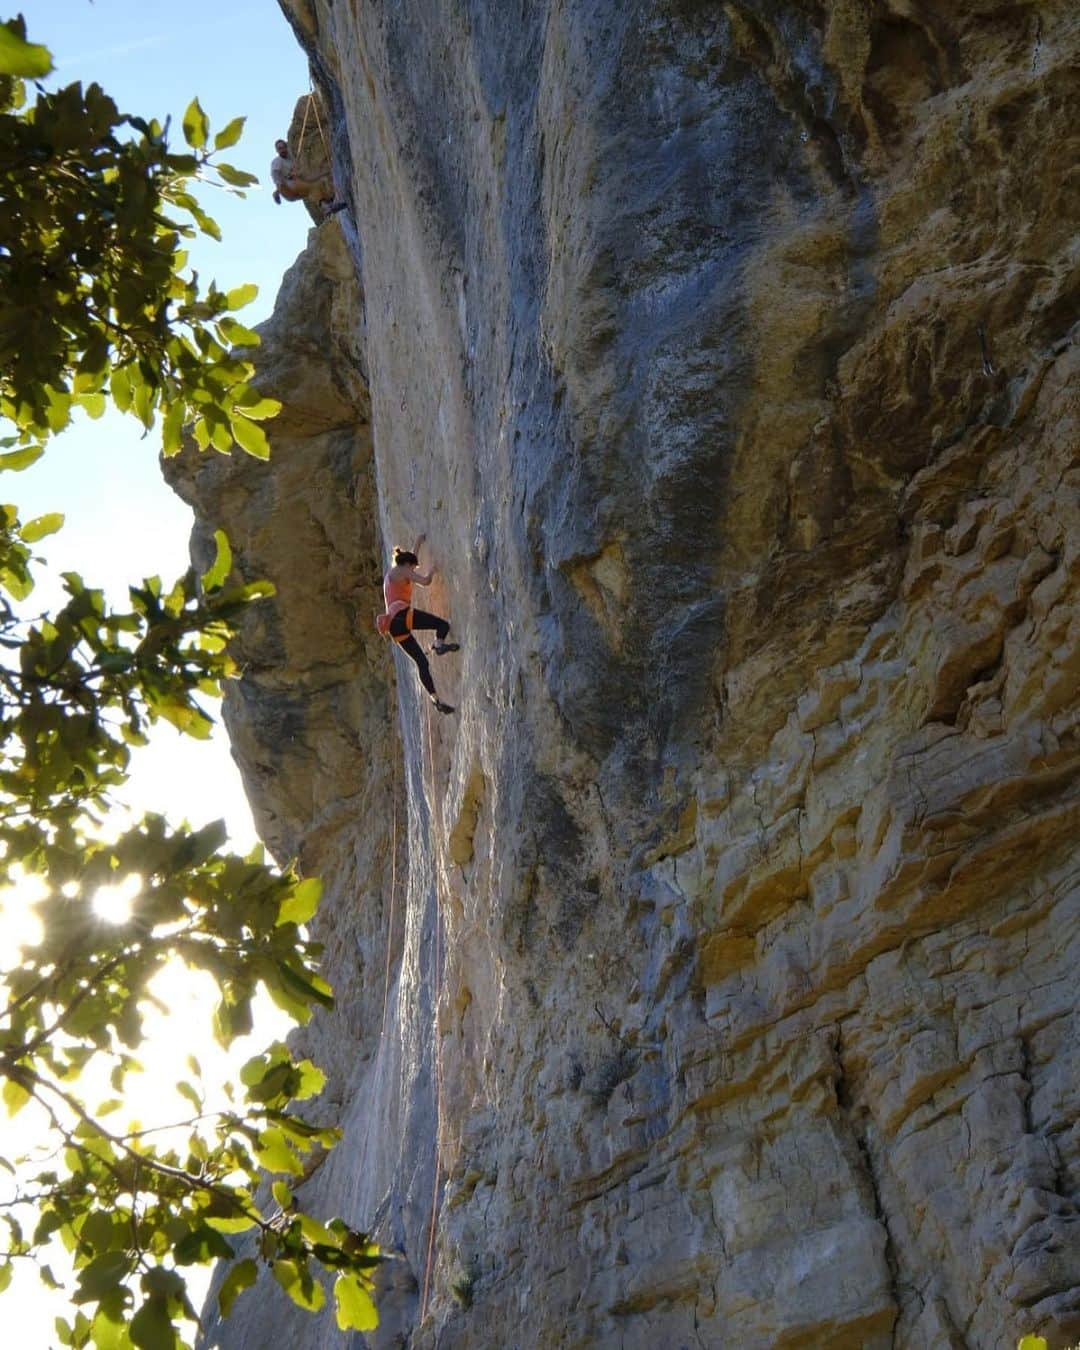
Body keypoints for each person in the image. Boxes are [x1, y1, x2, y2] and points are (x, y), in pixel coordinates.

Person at [376, 535, 459, 715]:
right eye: (412, 566)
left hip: (394, 628)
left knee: (421, 662)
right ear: (407, 564)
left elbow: (410, 561)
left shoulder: (392, 575)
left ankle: (435, 699)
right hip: (402, 616)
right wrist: (433, 571)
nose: (413, 569)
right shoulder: (404, 570)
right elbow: (424, 581)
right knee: (442, 625)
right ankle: (438, 644)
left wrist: (418, 543)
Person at [269, 138, 346, 217]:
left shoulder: (291, 159)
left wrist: (324, 173)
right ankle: (327, 207)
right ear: (277, 151)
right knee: (311, 187)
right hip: (287, 187)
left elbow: (300, 174)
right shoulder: (277, 161)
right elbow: (275, 174)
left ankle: (328, 204)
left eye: (283, 147)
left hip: (293, 185)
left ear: (286, 147)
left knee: (316, 185)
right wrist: (280, 187)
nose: (282, 150)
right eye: (279, 148)